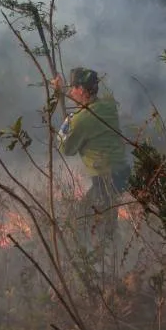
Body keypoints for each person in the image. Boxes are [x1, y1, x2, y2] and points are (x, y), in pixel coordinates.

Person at [52, 67, 131, 241]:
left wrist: (68, 121)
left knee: (89, 223)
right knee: (97, 217)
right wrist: (63, 91)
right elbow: (84, 103)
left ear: (81, 90)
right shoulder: (108, 105)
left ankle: (106, 257)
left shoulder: (82, 120)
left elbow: (65, 148)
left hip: (106, 178)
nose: (71, 91)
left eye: (74, 88)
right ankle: (109, 254)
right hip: (120, 173)